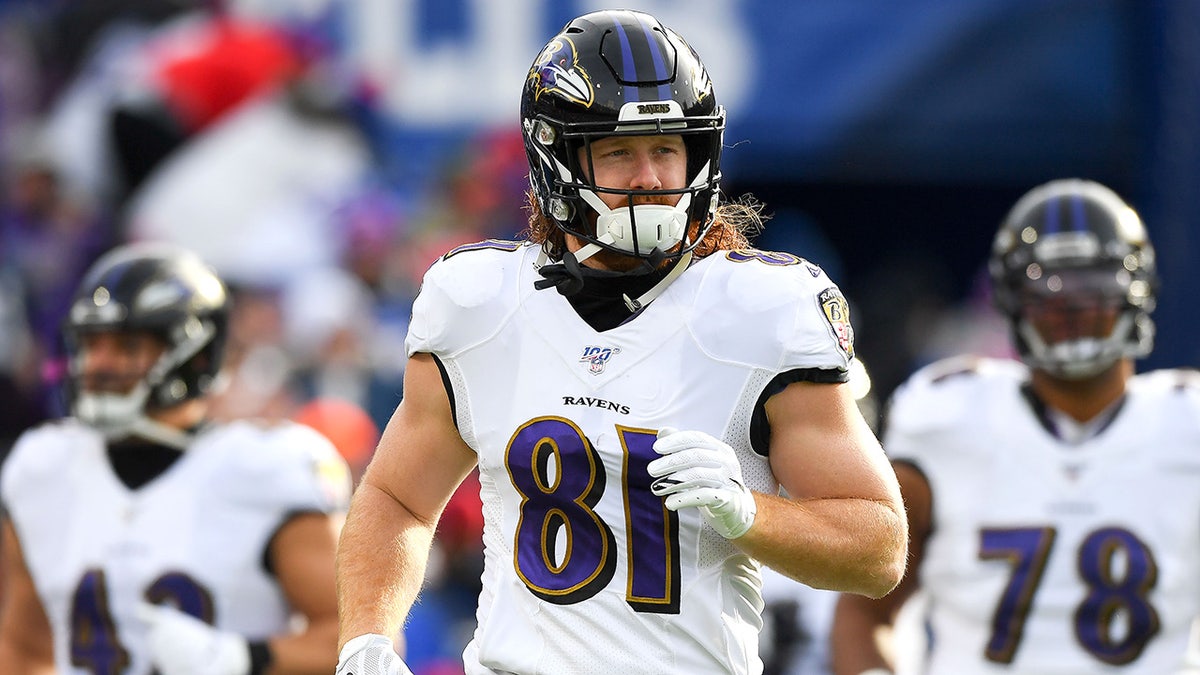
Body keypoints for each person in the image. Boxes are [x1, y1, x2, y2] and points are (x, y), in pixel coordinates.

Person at [335, 9, 906, 675]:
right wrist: (368, 639)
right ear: (556, 159)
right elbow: (397, 498)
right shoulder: (479, 303)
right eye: (618, 151)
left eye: (667, 149)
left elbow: (878, 549)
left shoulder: (762, 311)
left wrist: (745, 511)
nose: (650, 178)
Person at [830, 178, 1200, 674]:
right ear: (1010, 300)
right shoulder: (949, 417)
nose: (1071, 310)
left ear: (1136, 291)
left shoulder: (1186, 423)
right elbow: (866, 604)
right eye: (1048, 291)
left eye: (1091, 288)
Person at [0, 242, 351, 674]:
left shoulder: (269, 468)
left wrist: (239, 659)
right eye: (92, 345)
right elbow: (23, 650)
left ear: (197, 356)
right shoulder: (42, 467)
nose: (98, 364)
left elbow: (363, 640)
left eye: (127, 346)